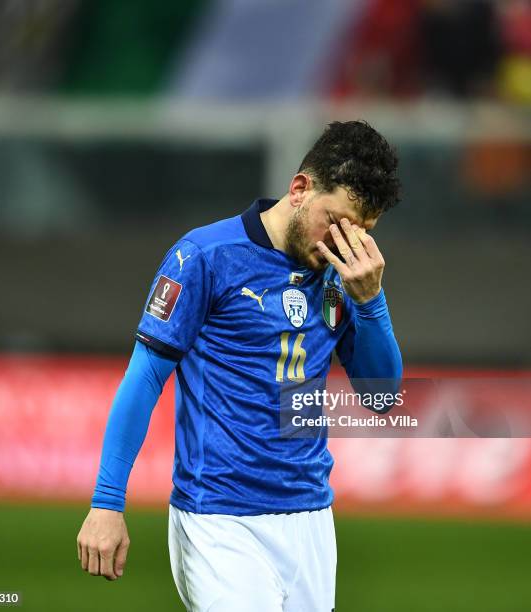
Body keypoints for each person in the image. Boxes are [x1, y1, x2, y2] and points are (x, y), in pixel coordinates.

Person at [77, 120, 403, 611]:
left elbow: (382, 398)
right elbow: (145, 378)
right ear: (300, 189)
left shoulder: (344, 278)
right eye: (335, 221)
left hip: (310, 517)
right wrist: (106, 501)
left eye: (361, 232)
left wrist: (372, 302)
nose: (343, 243)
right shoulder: (205, 257)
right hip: (220, 518)